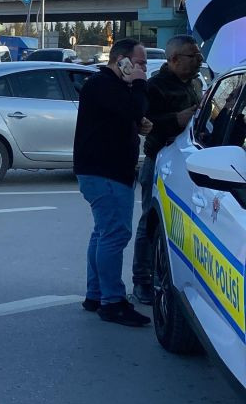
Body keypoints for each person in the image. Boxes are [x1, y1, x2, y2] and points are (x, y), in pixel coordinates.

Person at [74, 39, 153, 327]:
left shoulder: (109, 86)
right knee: (115, 235)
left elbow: (125, 115)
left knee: (103, 234)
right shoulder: (105, 84)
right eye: (140, 62)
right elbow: (134, 108)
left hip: (102, 171)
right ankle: (112, 302)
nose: (143, 68)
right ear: (122, 61)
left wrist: (138, 122)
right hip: (106, 173)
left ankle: (96, 295)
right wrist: (140, 84)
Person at [131, 35, 203, 304]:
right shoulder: (155, 87)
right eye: (192, 56)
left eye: (198, 55)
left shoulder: (196, 82)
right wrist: (179, 118)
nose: (198, 61)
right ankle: (143, 281)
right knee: (151, 222)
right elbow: (146, 124)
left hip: (190, 162)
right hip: (159, 161)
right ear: (173, 59)